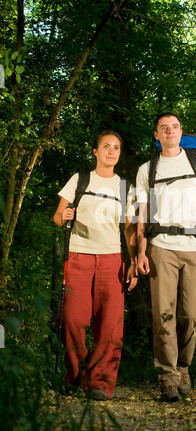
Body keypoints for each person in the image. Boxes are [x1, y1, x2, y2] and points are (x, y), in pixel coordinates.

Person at [136, 113, 196, 402]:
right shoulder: (146, 169)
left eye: (174, 127)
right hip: (160, 246)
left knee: (191, 313)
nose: (170, 131)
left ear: (181, 131)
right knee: (164, 313)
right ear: (156, 135)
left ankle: (184, 367)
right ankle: (168, 378)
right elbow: (141, 213)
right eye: (164, 128)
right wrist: (140, 250)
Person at [53, 130, 138, 401]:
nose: (111, 151)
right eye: (105, 146)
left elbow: (129, 230)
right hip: (78, 256)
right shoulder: (79, 180)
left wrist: (133, 262)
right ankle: (76, 374)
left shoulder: (126, 188)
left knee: (110, 325)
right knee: (70, 320)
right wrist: (63, 216)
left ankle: (100, 382)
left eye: (116, 147)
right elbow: (58, 216)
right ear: (95, 151)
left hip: (112, 258)